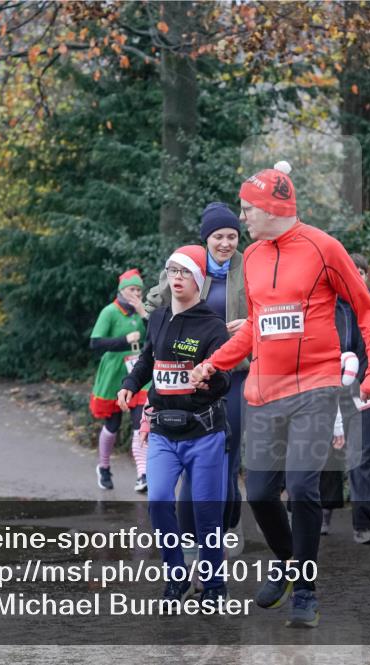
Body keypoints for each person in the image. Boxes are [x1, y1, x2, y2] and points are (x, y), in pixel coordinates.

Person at [191, 161, 370, 628]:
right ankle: (287, 559)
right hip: (263, 391)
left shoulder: (324, 249)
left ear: (271, 207)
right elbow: (257, 328)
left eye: (247, 210)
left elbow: (368, 312)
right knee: (258, 492)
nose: (242, 220)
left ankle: (305, 591)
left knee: (301, 486)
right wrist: (214, 362)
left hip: (316, 387)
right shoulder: (254, 258)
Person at [118, 245, 231, 603]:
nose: (177, 278)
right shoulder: (158, 318)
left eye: (184, 272)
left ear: (198, 279)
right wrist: (129, 385)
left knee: (206, 511)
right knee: (159, 500)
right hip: (165, 431)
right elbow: (146, 361)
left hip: (204, 433)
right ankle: (176, 575)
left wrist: (207, 377)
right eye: (172, 271)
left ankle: (213, 585)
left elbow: (225, 380)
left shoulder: (212, 325)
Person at [146, 202, 248, 555]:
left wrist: (247, 327)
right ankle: (193, 536)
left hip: (235, 371)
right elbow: (155, 306)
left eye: (232, 236)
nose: (225, 243)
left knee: (227, 456)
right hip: (188, 375)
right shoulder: (187, 266)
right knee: (195, 453)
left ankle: (223, 524)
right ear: (206, 239)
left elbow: (265, 310)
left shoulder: (247, 267)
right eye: (218, 236)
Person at [320, 253, 370, 544]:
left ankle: (363, 524)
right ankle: (324, 509)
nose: (358, 276)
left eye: (363, 271)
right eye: (352, 271)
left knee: (363, 456)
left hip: (363, 391)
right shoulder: (325, 304)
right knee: (326, 453)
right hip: (327, 390)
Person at [89, 269, 149, 492]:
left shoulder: (142, 312)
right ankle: (103, 467)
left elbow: (154, 334)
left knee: (139, 422)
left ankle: (142, 475)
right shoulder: (110, 312)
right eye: (132, 289)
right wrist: (123, 340)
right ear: (122, 291)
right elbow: (95, 343)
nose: (136, 294)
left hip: (139, 374)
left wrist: (144, 313)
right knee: (112, 426)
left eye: (139, 290)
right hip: (114, 373)